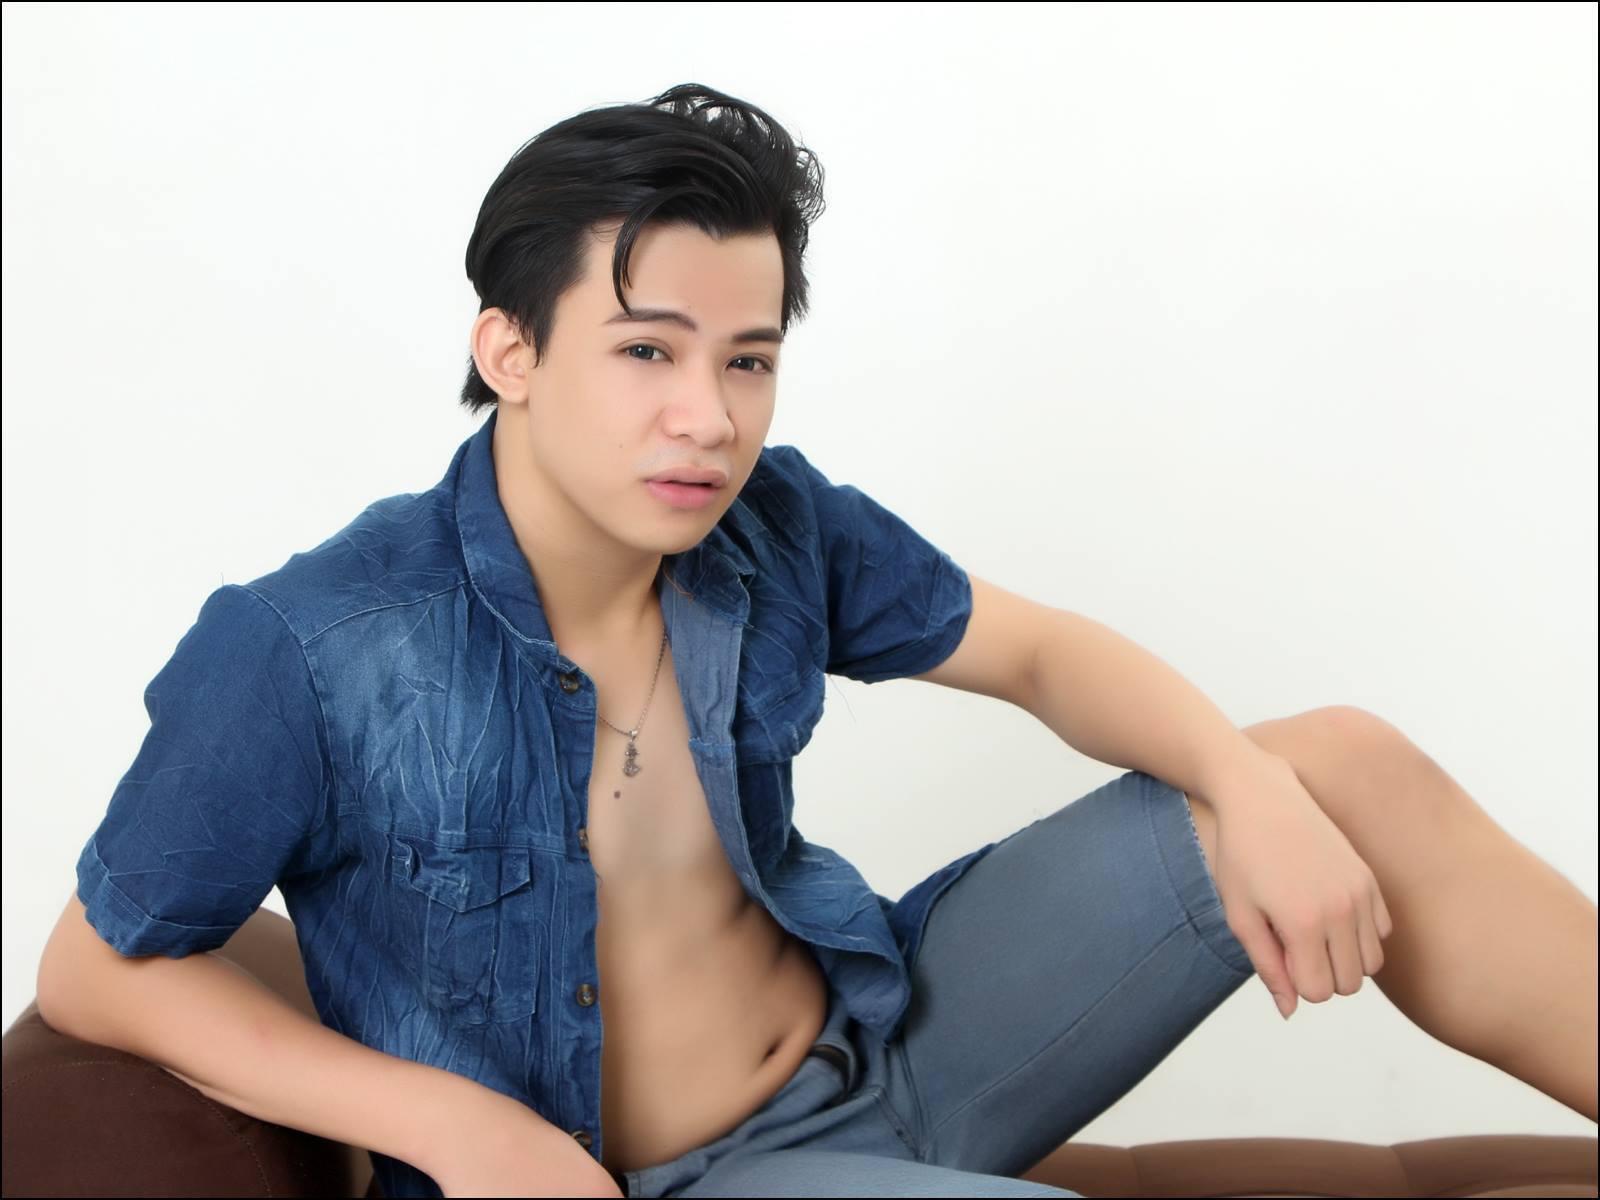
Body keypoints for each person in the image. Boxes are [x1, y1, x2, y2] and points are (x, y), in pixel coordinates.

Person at [44, 83, 1598, 1199]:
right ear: (508, 350)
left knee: (1339, 767)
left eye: (747, 360)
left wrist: (1248, 787)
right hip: (685, 1176)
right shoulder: (312, 644)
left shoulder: (768, 524)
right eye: (646, 352)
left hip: (896, 1034)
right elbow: (96, 968)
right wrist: (453, 1127)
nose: (707, 418)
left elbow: (1039, 653)